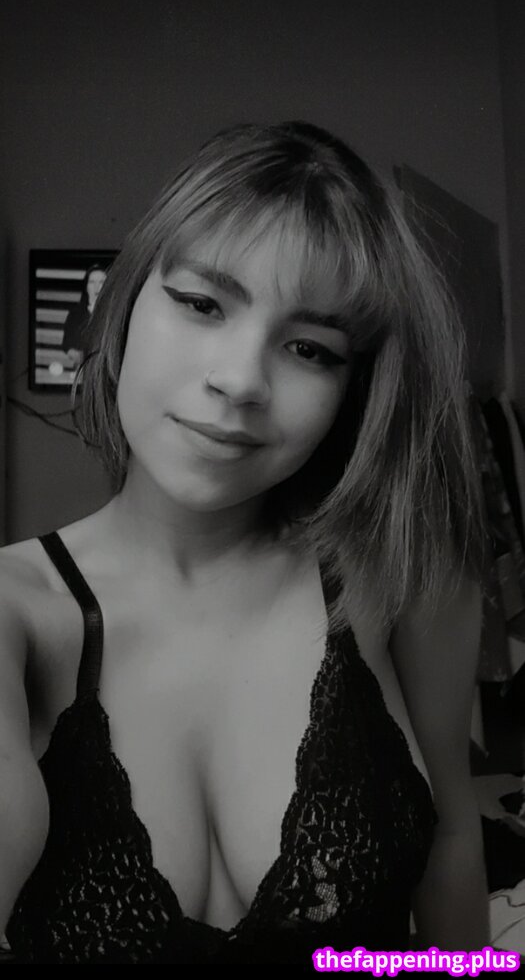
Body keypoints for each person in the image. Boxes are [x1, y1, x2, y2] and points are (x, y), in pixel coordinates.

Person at [0, 121, 490, 965]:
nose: (239, 380)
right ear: (123, 303)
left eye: (309, 349)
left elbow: (451, 840)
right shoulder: (14, 616)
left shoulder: (405, 582)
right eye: (201, 304)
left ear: (353, 389)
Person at [62, 264, 107, 370]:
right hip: (82, 369)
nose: (97, 287)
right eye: (92, 282)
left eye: (101, 282)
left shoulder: (113, 313)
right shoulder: (75, 314)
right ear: (86, 286)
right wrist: (75, 354)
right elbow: (67, 344)